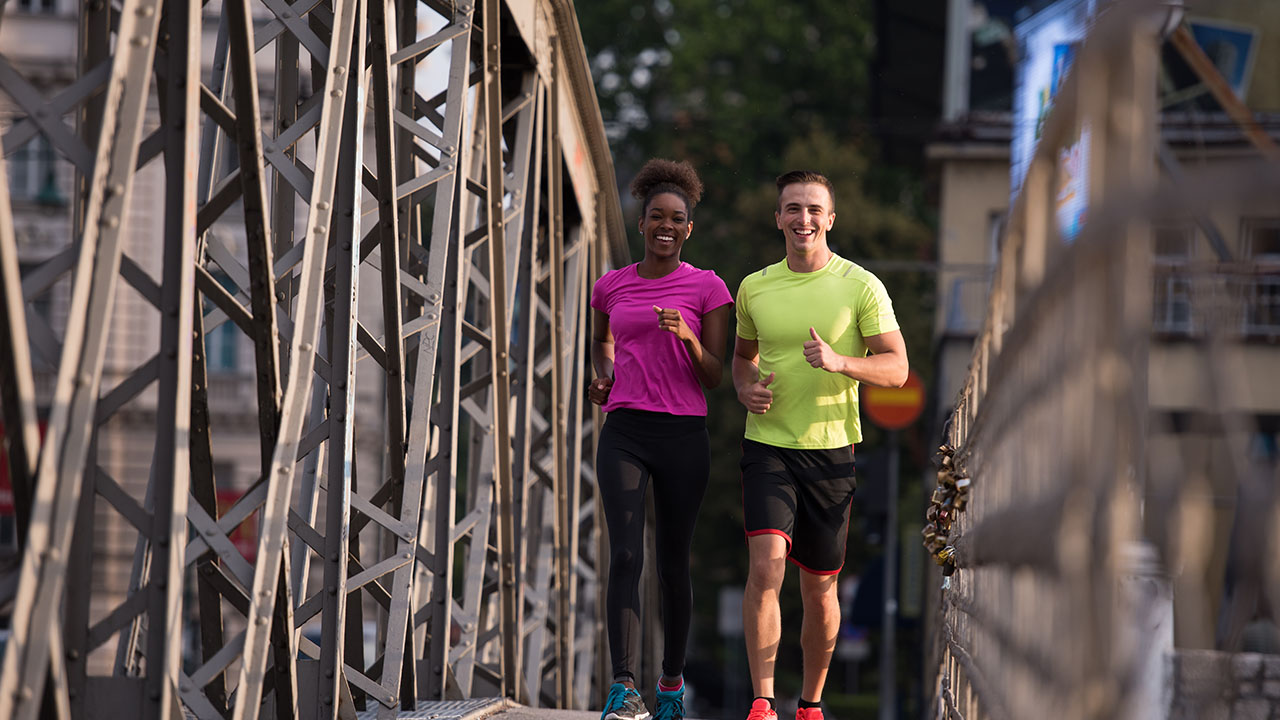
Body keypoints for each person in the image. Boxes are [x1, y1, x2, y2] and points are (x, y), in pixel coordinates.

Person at [732, 170, 908, 720]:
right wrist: (745, 385)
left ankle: (810, 704)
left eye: (813, 209)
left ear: (830, 219)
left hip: (832, 451)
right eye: (792, 208)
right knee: (767, 567)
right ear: (778, 218)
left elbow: (898, 369)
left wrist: (840, 362)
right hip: (768, 448)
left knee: (820, 588)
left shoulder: (860, 285)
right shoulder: (754, 286)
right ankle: (762, 703)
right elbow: (742, 357)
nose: (802, 219)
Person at [589, 159, 733, 720]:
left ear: (688, 229)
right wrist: (603, 376)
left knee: (674, 561)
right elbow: (602, 340)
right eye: (656, 217)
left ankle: (670, 684)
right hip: (625, 429)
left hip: (683, 433)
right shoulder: (612, 285)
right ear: (642, 220)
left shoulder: (708, 287)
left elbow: (715, 375)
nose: (665, 226)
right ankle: (624, 686)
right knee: (625, 553)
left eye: (677, 218)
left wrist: (690, 339)